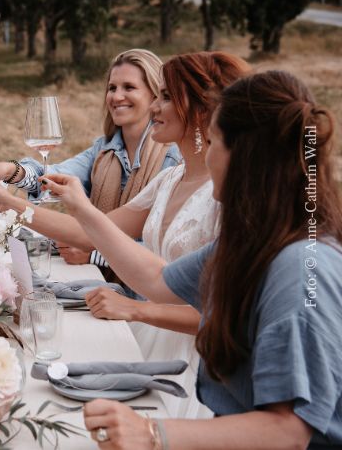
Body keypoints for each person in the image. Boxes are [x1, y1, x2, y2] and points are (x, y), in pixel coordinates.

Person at [63, 70, 342, 449]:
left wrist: (151, 434)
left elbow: (287, 431)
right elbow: (158, 281)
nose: (206, 156)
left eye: (213, 142)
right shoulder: (252, 241)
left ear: (243, 157)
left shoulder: (298, 269)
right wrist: (85, 213)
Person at [0, 51, 250, 419]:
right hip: (149, 337)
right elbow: (92, 232)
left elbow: (229, 314)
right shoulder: (170, 180)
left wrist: (138, 310)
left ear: (198, 109)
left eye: (164, 97)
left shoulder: (225, 194)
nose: (154, 108)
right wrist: (8, 202)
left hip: (196, 356)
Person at [0, 49, 181, 270]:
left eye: (129, 87)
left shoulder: (172, 159)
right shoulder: (103, 150)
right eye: (112, 88)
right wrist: (11, 171)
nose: (117, 96)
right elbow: (52, 179)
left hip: (145, 292)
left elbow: (164, 248)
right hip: (100, 282)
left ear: (155, 95)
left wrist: (96, 255)